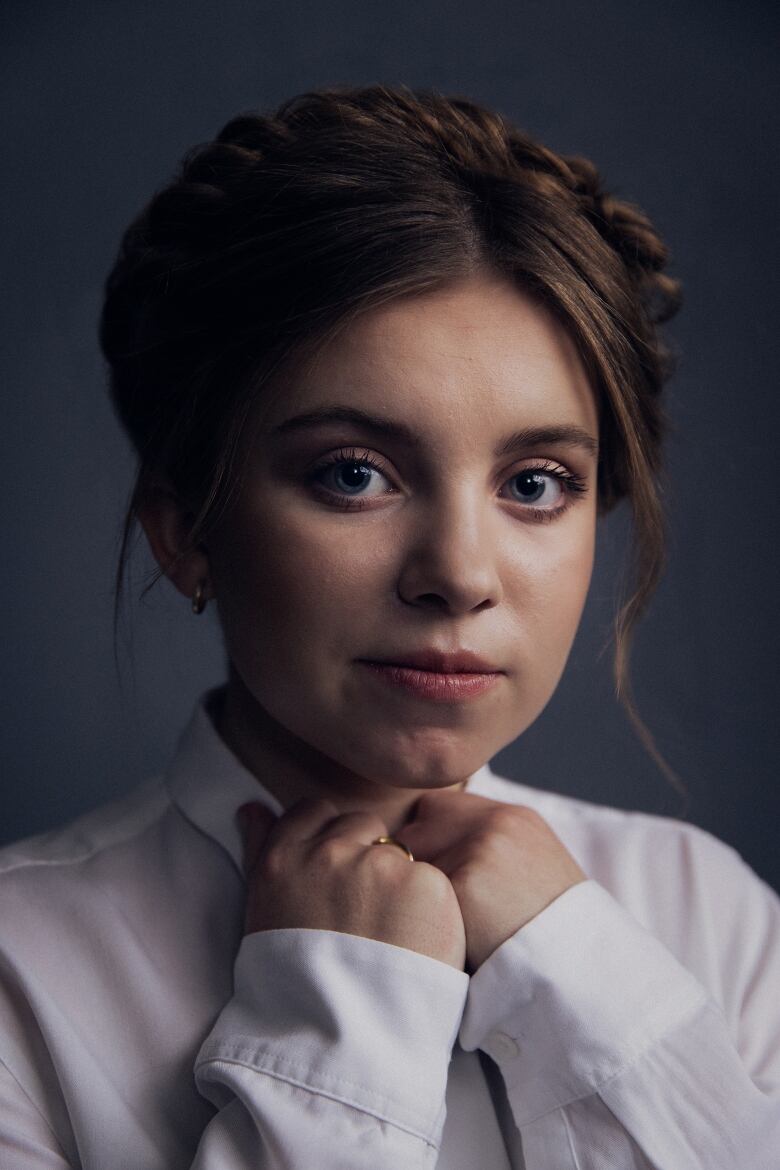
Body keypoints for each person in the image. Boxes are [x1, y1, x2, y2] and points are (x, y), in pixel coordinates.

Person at [0, 83, 777, 1170]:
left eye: (539, 483)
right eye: (353, 473)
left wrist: (588, 989)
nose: (459, 573)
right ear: (186, 533)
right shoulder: (19, 974)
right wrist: (344, 1030)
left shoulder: (708, 920)